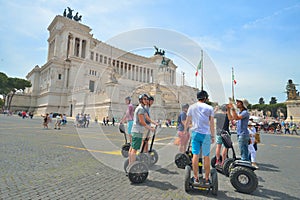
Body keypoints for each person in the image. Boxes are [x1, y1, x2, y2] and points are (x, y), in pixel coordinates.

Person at [184, 90, 215, 185]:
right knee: (206, 156)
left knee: (195, 155)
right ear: (205, 98)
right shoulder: (209, 108)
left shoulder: (192, 107)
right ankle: (206, 178)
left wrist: (185, 131)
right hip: (206, 134)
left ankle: (196, 177)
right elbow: (211, 123)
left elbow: (187, 121)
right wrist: (213, 135)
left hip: (195, 133)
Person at [128, 94, 155, 166]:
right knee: (134, 149)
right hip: (138, 131)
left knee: (132, 148)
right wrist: (150, 128)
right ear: (141, 100)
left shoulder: (139, 108)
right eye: (145, 99)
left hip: (135, 130)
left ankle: (130, 164)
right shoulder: (141, 109)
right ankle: (132, 165)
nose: (146, 100)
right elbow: (142, 122)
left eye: (147, 99)